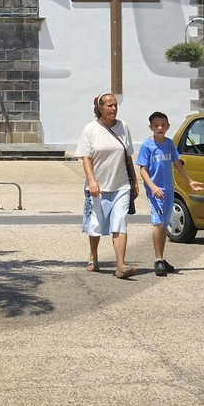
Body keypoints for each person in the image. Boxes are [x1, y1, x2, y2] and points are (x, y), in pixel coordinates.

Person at [77, 92, 138, 279]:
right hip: (98, 187)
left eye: (115, 105)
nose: (113, 108)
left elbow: (128, 156)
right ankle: (93, 255)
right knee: (96, 224)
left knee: (120, 222)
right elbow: (86, 157)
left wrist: (134, 181)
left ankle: (120, 266)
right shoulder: (90, 129)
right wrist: (92, 180)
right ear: (100, 108)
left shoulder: (123, 127)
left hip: (121, 185)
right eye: (109, 105)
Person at [136, 111, 204, 277]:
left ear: (167, 126)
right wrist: (152, 187)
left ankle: (161, 257)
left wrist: (189, 182)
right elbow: (142, 169)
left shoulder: (169, 144)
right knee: (158, 222)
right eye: (156, 125)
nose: (160, 128)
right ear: (151, 127)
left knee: (164, 224)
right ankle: (157, 259)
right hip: (156, 191)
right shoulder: (147, 146)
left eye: (163, 125)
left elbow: (178, 164)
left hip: (168, 189)